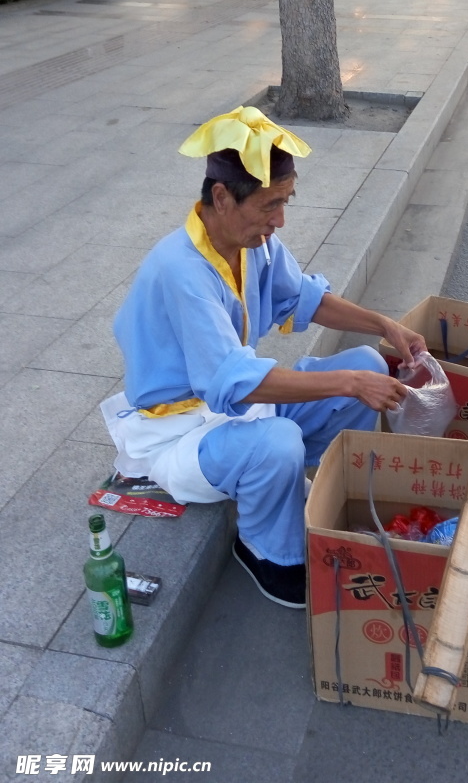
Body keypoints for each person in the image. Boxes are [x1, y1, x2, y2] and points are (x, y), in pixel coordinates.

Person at [101, 106, 426, 609]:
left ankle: (295, 485)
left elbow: (304, 297)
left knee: (366, 361)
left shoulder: (253, 244)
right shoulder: (181, 271)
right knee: (281, 439)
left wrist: (385, 325)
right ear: (222, 197)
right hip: (176, 432)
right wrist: (347, 386)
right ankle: (263, 552)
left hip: (232, 409)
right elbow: (234, 381)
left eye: (285, 202)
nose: (279, 221)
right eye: (270, 205)